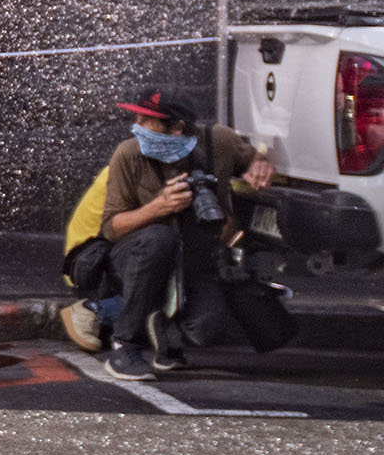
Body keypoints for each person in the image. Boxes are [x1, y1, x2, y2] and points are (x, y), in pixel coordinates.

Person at [95, 89, 276, 381]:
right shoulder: (128, 153)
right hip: (137, 256)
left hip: (195, 258)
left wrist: (259, 165)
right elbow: (111, 227)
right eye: (138, 116)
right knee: (159, 239)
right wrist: (158, 207)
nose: (137, 124)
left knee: (206, 328)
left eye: (148, 120)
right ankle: (123, 345)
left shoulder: (219, 141)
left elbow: (256, 160)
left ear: (177, 127)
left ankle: (165, 335)